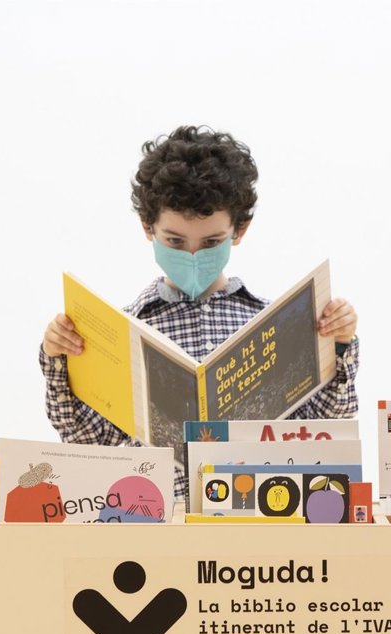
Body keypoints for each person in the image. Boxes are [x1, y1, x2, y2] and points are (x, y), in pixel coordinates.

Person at [40, 125, 360, 500]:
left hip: (257, 515)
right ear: (148, 227)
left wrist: (339, 343)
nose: (193, 255)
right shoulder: (124, 331)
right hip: (162, 520)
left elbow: (327, 427)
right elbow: (88, 441)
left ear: (239, 231)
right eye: (175, 241)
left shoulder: (275, 323)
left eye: (211, 242)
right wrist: (59, 357)